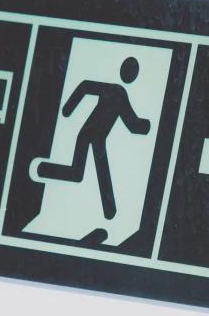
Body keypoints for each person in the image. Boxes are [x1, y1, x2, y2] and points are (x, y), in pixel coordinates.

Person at [32, 57, 150, 221]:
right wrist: (68, 108)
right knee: (87, 171)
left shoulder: (117, 92)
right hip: (91, 135)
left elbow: (131, 123)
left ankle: (44, 169)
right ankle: (109, 210)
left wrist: (68, 108)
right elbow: (87, 86)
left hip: (91, 135)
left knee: (82, 172)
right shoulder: (118, 93)